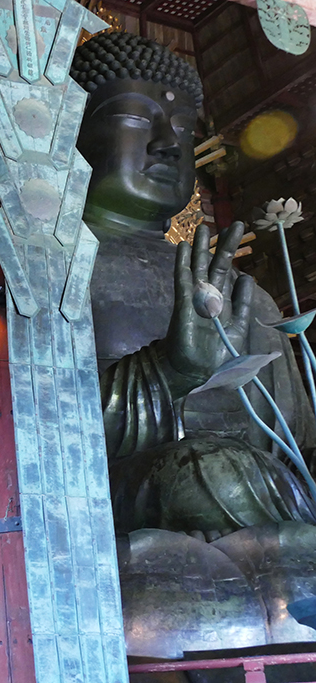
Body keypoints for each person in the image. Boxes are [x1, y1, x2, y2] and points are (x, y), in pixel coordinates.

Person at [75, 31, 316, 653]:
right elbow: (9, 436)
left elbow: (299, 447)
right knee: (208, 471)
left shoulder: (246, 296)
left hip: (274, 520)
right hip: (111, 518)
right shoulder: (34, 272)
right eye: (134, 119)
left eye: (183, 128)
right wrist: (167, 373)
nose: (166, 143)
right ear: (66, 136)